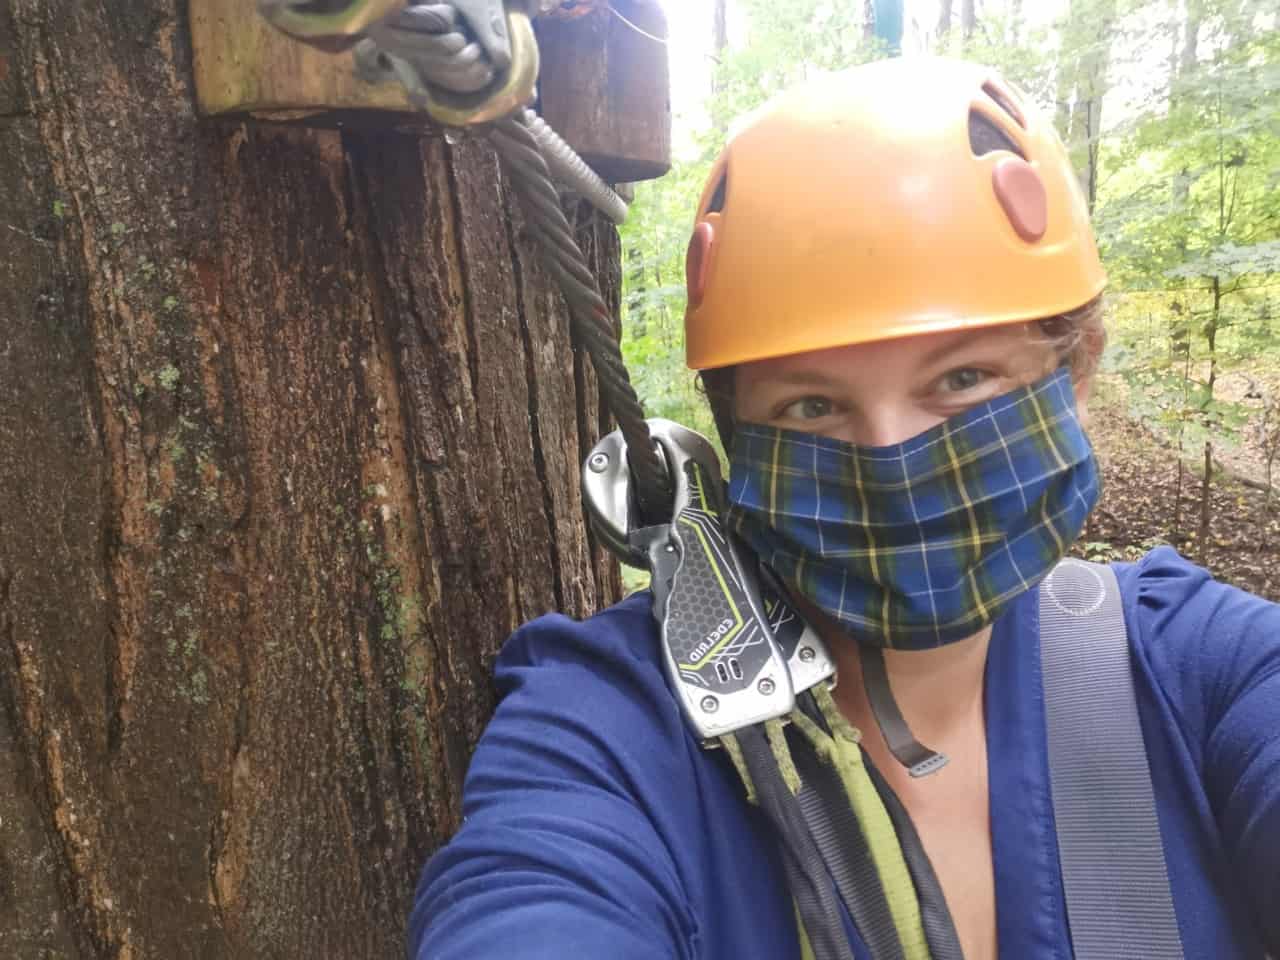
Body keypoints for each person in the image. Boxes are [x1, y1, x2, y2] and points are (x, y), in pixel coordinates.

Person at [407, 57, 1279, 960]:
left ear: (1078, 371)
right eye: (811, 406)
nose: (892, 458)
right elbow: (532, 896)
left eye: (962, 379)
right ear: (735, 431)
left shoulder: (1200, 674)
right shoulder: (614, 727)